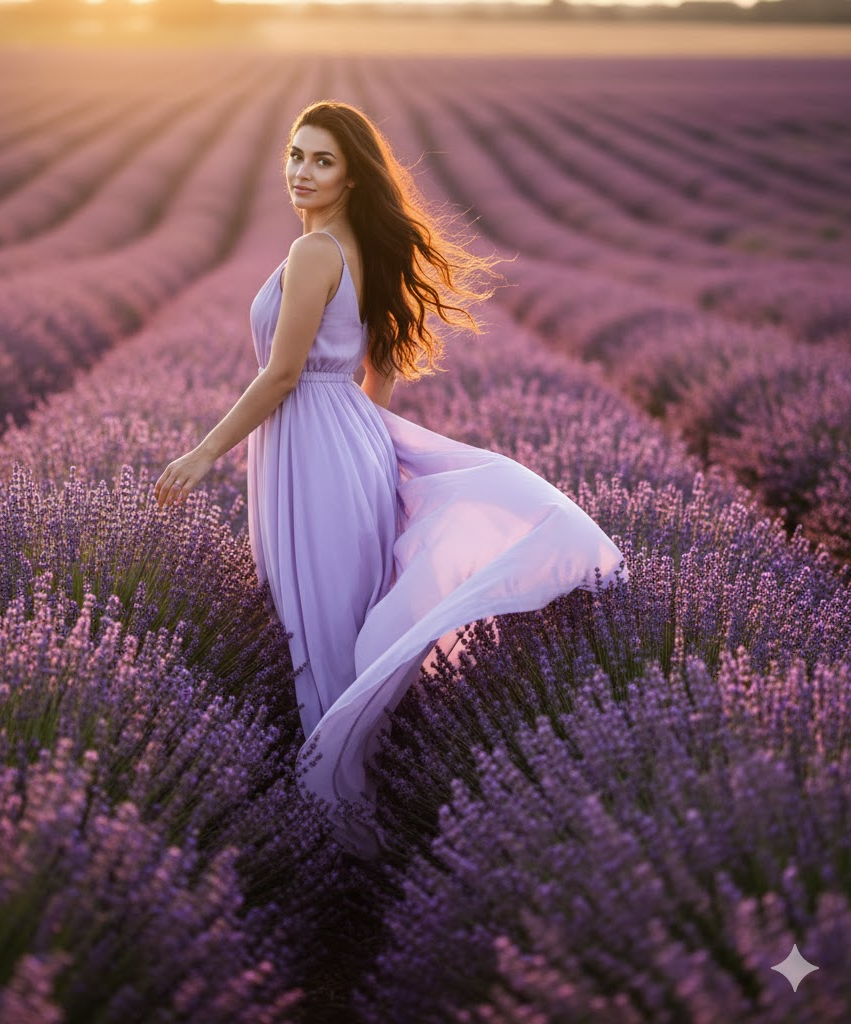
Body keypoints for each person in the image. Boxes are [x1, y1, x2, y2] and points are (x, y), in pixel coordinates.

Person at [154, 101, 629, 860]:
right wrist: (358, 442)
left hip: (310, 450)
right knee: (338, 620)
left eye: (322, 162)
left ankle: (342, 830)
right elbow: (378, 373)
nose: (302, 173)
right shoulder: (350, 247)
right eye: (295, 156)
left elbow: (280, 376)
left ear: (351, 177)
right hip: (337, 446)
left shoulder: (315, 255)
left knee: (315, 625)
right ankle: (359, 816)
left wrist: (205, 452)